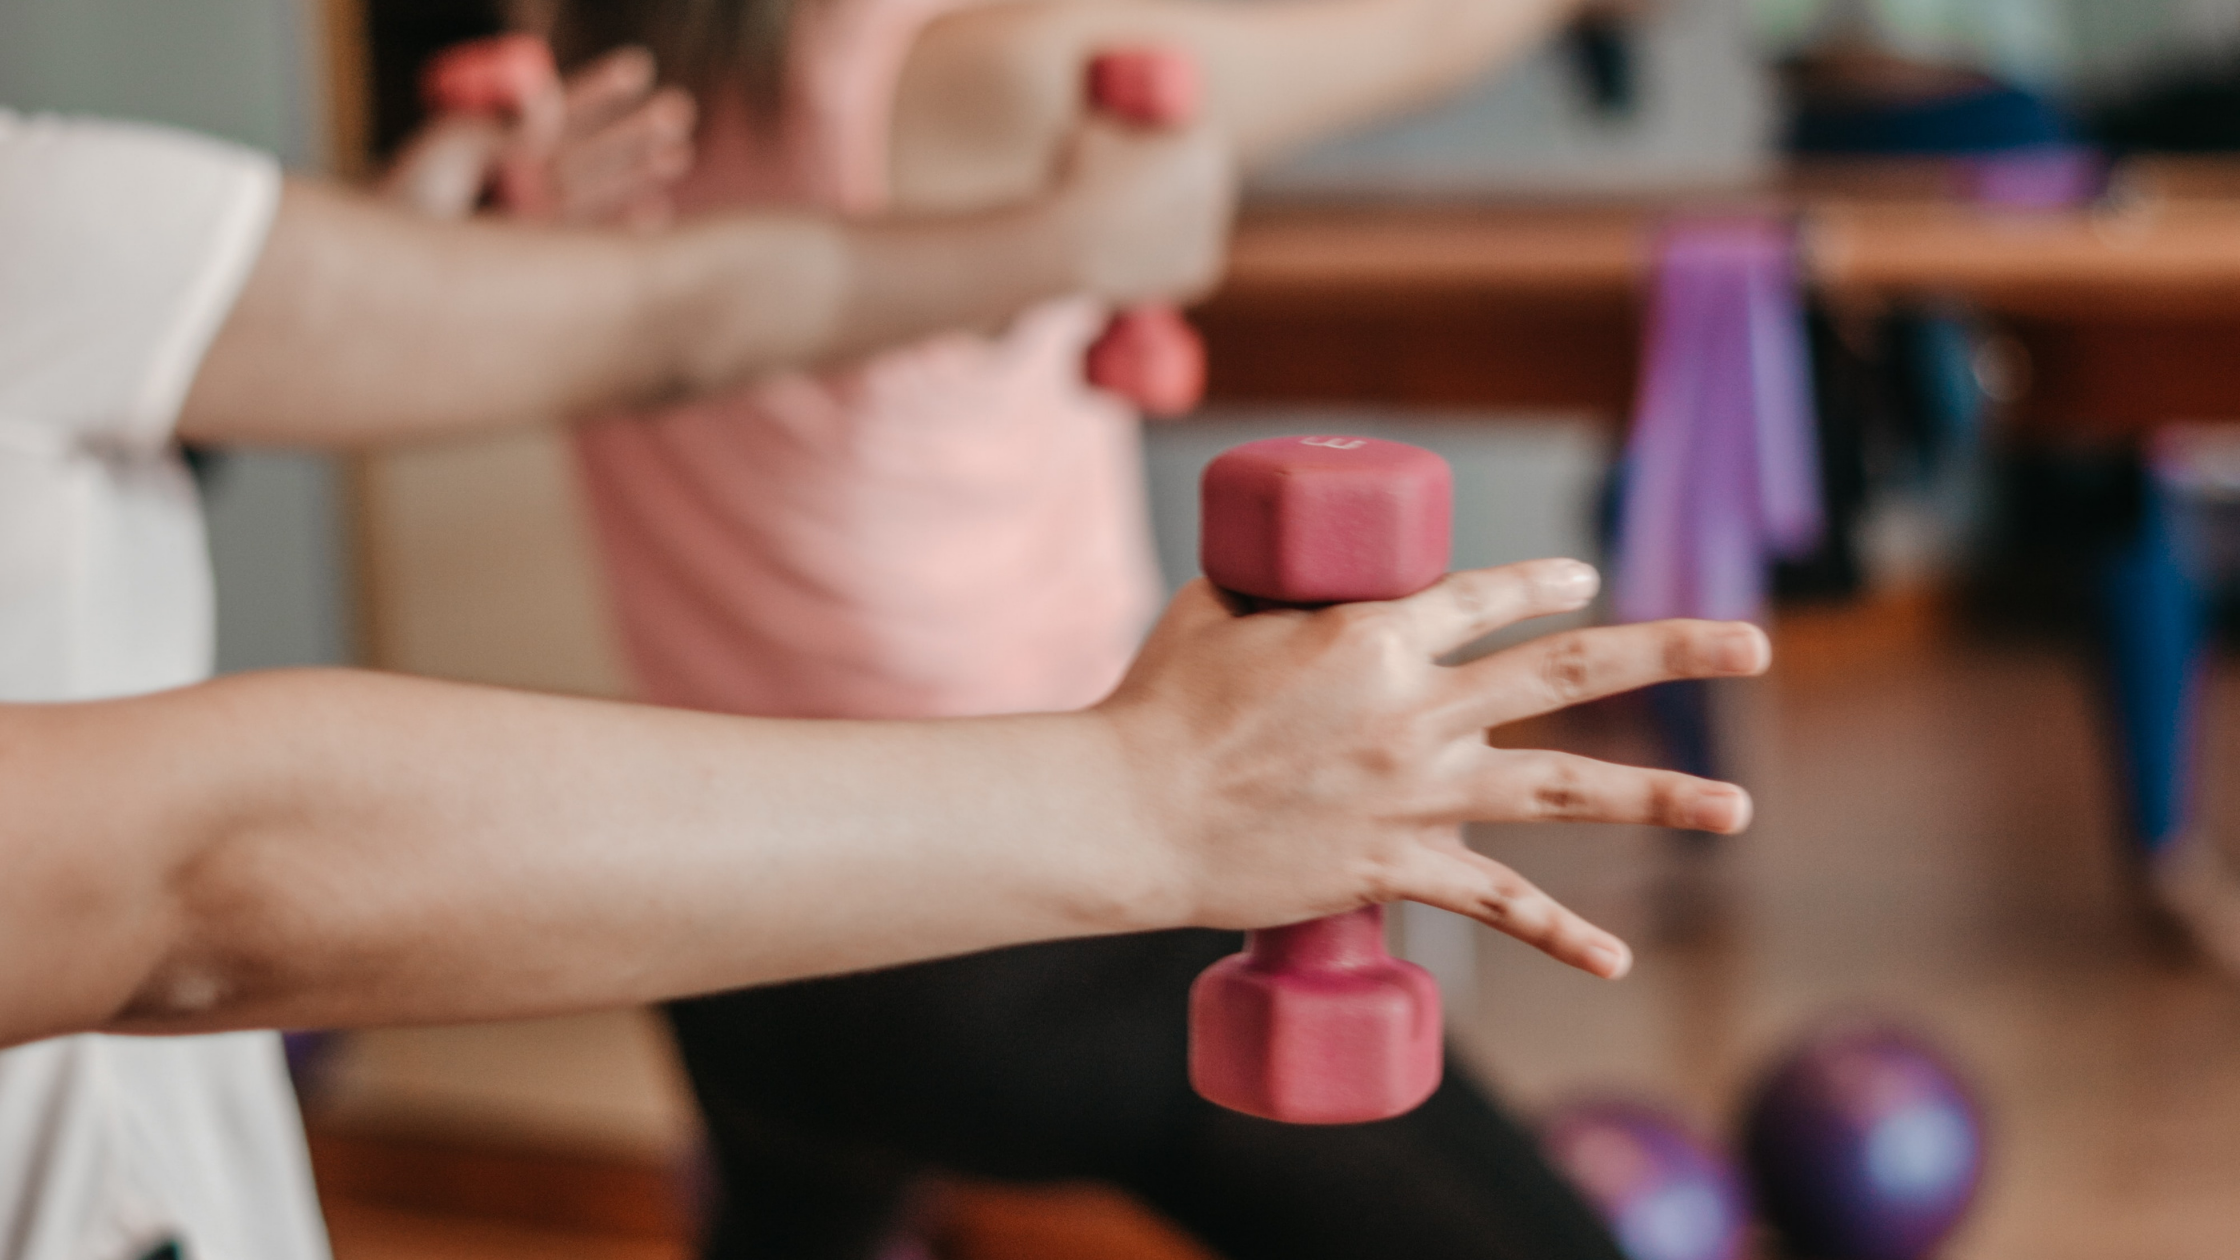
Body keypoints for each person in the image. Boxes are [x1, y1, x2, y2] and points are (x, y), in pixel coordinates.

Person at [0, 97, 1766, 1260]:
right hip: (969, 930)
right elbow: (177, 872)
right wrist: (1160, 792)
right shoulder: (966, 76)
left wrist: (383, 260)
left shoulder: (624, 96)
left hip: (744, 939)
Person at [398, 3, 1696, 1255]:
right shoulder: (977, 71)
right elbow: (1418, 31)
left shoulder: (581, 70)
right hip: (1005, 928)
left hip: (723, 932)